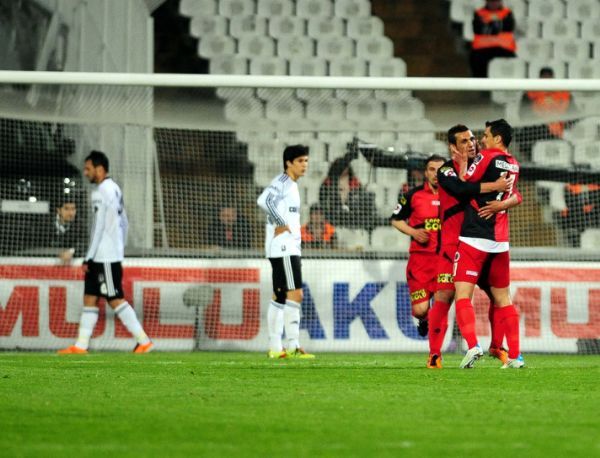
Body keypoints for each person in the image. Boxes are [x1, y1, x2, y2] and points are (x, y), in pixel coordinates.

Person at [427, 125, 515, 369]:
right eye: (464, 141)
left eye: (473, 139)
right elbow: (461, 189)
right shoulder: (446, 170)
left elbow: (510, 189)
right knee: (444, 296)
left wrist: (505, 199)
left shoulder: (484, 164)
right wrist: (494, 186)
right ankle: (435, 354)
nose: (471, 144)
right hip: (453, 244)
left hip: (482, 242)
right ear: (453, 147)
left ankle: (496, 346)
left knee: (499, 296)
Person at [58, 150, 153, 354]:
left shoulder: (100, 192)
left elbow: (99, 226)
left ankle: (143, 340)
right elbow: (124, 221)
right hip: (107, 253)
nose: (85, 173)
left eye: (88, 169)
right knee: (90, 297)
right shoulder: (115, 188)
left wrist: (89, 257)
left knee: (114, 298)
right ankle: (81, 346)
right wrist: (119, 245)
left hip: (104, 257)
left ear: (99, 169)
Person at [452, 119, 524, 369]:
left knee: (463, 295)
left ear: (498, 139)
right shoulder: (514, 164)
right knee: (504, 299)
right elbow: (516, 196)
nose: (482, 140)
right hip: (500, 241)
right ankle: (515, 356)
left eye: (486, 135)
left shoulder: (487, 156)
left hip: (474, 236)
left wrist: (463, 162)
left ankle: (473, 346)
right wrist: (501, 204)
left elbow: (464, 183)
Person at [257, 145, 315, 359]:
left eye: (306, 161)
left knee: (280, 295)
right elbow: (263, 200)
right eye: (300, 161)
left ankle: (276, 347)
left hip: (286, 246)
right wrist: (281, 222)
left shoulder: (292, 185)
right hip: (284, 247)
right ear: (288, 163)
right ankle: (292, 346)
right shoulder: (282, 181)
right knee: (295, 294)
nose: (304, 165)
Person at [390, 154, 446, 337]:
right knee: (421, 310)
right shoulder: (412, 195)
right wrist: (413, 232)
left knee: (441, 306)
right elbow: (395, 220)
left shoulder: (454, 196)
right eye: (432, 169)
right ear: (425, 172)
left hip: (444, 261)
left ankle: (437, 349)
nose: (436, 174)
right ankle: (423, 319)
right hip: (420, 263)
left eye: (440, 170)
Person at [319, 150, 377, 231]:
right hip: (334, 215)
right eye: (341, 168)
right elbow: (322, 200)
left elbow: (360, 196)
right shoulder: (327, 182)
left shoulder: (353, 181)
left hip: (351, 216)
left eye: (346, 167)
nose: (344, 170)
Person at [470, 0, 516, 78]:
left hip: (504, 50)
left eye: (496, 1)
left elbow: (509, 27)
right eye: (491, 1)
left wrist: (488, 26)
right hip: (482, 50)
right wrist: (498, 25)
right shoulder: (479, 13)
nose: (494, 3)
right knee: (476, 61)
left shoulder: (507, 13)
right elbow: (477, 28)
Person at [45, 194, 86, 264]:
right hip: (46, 262)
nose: (71, 213)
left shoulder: (80, 224)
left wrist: (71, 251)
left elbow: (84, 243)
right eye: (66, 209)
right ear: (59, 210)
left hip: (71, 263)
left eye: (73, 209)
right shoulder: (47, 224)